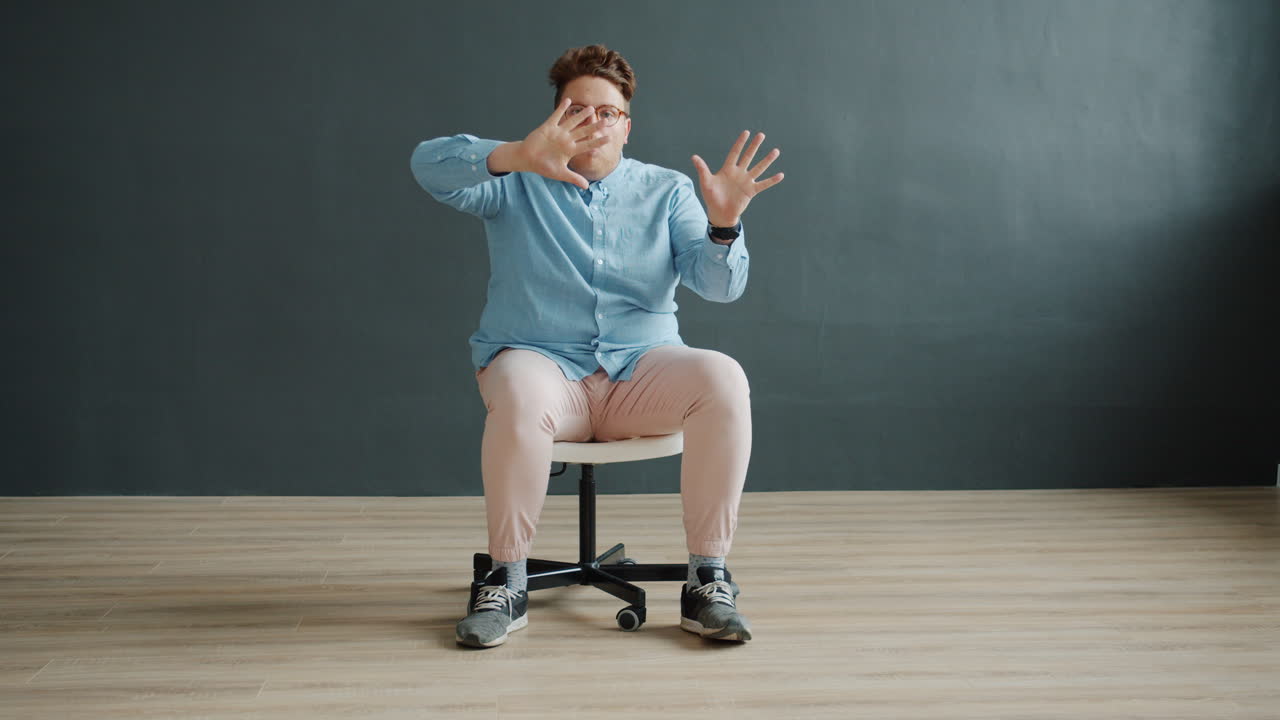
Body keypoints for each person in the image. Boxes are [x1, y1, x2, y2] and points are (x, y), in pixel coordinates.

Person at [409, 44, 783, 648]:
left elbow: (719, 286)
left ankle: (707, 579)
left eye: (607, 112)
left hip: (641, 374)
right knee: (521, 391)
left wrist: (724, 224)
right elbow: (429, 165)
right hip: (542, 366)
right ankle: (506, 581)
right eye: (576, 108)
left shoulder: (667, 191)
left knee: (724, 378)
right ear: (557, 117)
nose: (593, 121)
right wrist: (514, 156)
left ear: (627, 125)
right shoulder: (514, 183)